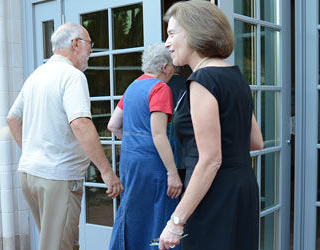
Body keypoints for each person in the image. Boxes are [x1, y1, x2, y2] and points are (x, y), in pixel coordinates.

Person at [7, 23, 123, 250]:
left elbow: (13, 118)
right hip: (57, 176)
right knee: (60, 246)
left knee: (58, 242)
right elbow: (80, 123)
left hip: (30, 174)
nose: (91, 50)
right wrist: (107, 172)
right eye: (90, 44)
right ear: (76, 43)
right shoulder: (72, 76)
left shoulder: (37, 75)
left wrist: (31, 151)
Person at [158, 1, 264, 250]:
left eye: (172, 34)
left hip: (214, 193)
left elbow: (211, 160)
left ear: (196, 33)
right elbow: (255, 141)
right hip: (242, 187)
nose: (167, 43)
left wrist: (176, 221)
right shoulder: (235, 76)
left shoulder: (202, 79)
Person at [106, 43, 182, 249]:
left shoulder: (132, 87)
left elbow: (113, 125)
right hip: (153, 162)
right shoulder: (160, 88)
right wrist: (173, 173)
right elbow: (158, 134)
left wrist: (135, 142)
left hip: (130, 161)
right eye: (173, 67)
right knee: (159, 215)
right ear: (165, 67)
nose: (173, 72)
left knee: (133, 213)